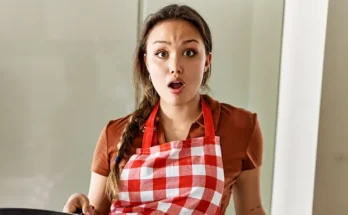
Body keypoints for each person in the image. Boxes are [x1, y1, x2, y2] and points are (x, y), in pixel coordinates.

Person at [63, 4, 265, 215]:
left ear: (207, 61)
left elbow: (252, 210)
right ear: (147, 62)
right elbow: (95, 212)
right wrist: (75, 209)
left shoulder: (240, 127)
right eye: (161, 53)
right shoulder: (114, 134)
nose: (175, 66)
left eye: (189, 52)